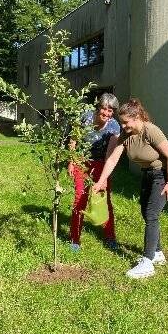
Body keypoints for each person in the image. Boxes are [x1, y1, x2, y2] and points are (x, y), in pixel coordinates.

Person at [93, 98, 168, 278]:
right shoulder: (126, 135)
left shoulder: (151, 131)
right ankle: (158, 253)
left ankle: (147, 262)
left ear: (137, 116)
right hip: (148, 174)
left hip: (162, 174)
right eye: (121, 122)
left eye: (125, 122)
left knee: (152, 214)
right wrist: (101, 181)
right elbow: (113, 159)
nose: (122, 126)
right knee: (146, 212)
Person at [68, 93, 120, 251]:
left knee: (105, 199)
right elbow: (73, 140)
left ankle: (110, 236)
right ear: (99, 107)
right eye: (104, 108)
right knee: (80, 197)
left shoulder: (114, 127)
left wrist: (103, 178)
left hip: (101, 164)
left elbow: (110, 154)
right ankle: (75, 238)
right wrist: (71, 161)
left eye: (110, 110)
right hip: (81, 161)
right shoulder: (86, 118)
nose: (106, 113)